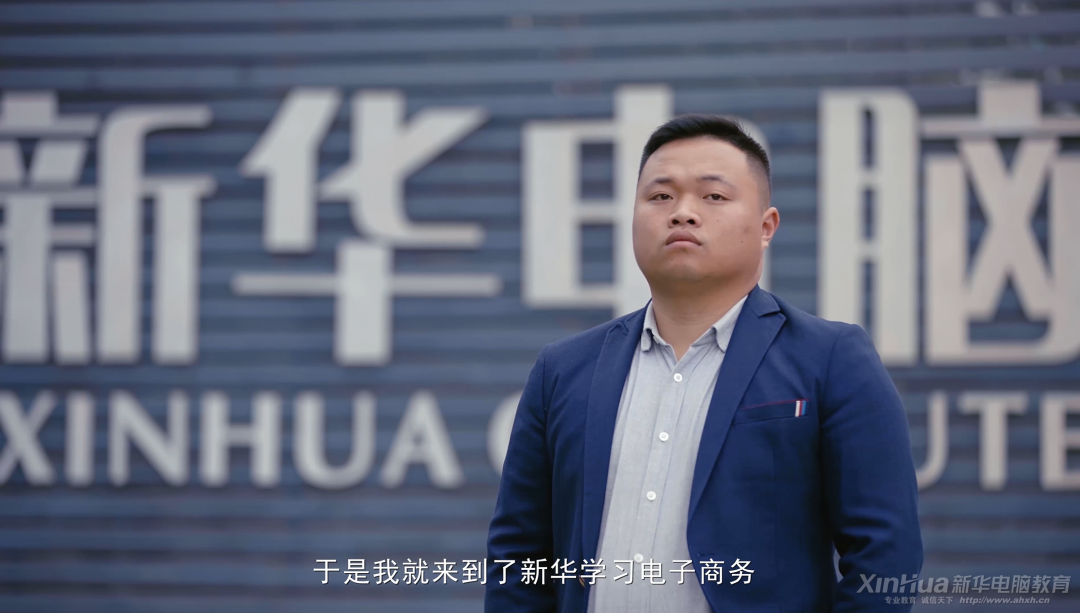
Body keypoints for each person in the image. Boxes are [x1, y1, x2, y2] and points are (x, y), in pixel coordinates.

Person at [485, 114, 923, 612]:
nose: (683, 213)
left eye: (713, 196)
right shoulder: (563, 371)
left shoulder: (831, 358)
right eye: (660, 196)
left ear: (766, 227)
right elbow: (518, 557)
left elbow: (885, 554)